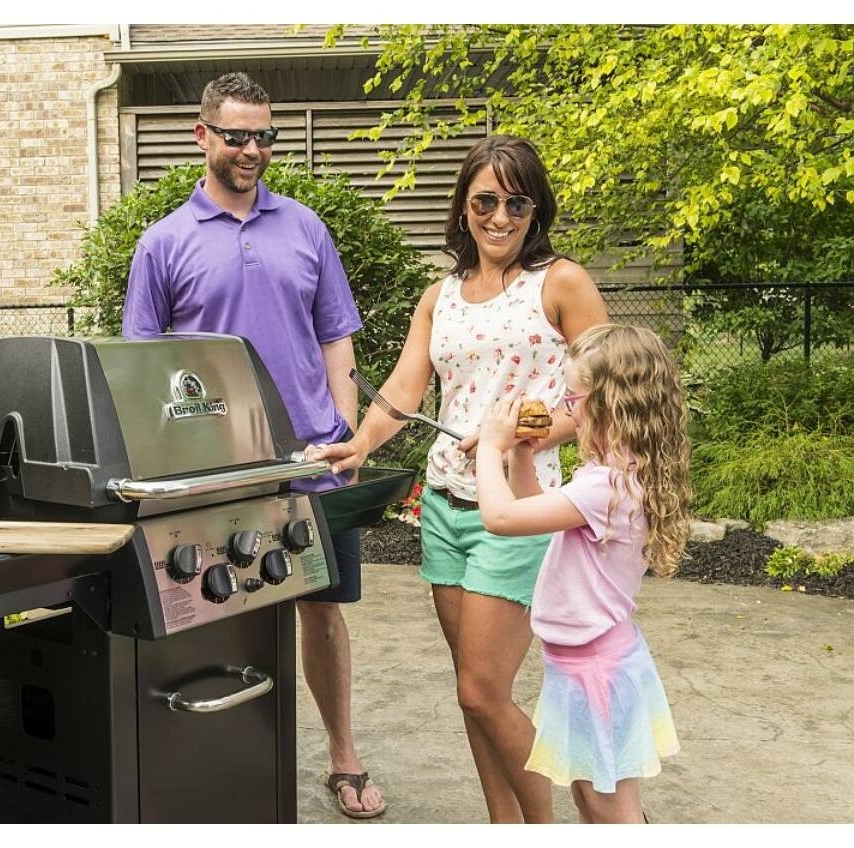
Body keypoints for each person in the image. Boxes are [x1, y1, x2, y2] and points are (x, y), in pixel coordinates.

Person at [309, 134, 608, 822]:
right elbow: (404, 389)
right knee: (473, 690)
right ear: (463, 207)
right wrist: (358, 444)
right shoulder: (439, 295)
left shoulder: (561, 282)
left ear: (536, 210)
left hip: (521, 508)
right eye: (485, 201)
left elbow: (601, 392)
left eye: (517, 203)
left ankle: (545, 826)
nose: (500, 217)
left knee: (482, 691)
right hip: (444, 508)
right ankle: (504, 824)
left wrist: (520, 433)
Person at [121, 72, 385, 819]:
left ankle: (343, 756)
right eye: (236, 135)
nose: (252, 149)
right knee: (218, 611)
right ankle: (227, 766)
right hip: (219, 471)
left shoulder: (305, 228)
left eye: (264, 136)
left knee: (322, 611)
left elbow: (336, 337)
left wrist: (343, 431)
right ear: (202, 135)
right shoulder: (163, 244)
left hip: (311, 460)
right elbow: (142, 369)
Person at [474, 323, 689, 823]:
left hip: (597, 671)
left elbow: (500, 518)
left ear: (609, 406)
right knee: (591, 798)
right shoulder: (609, 476)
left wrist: (489, 446)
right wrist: (521, 453)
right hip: (581, 666)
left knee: (607, 806)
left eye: (572, 398)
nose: (566, 410)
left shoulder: (607, 486)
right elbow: (531, 508)